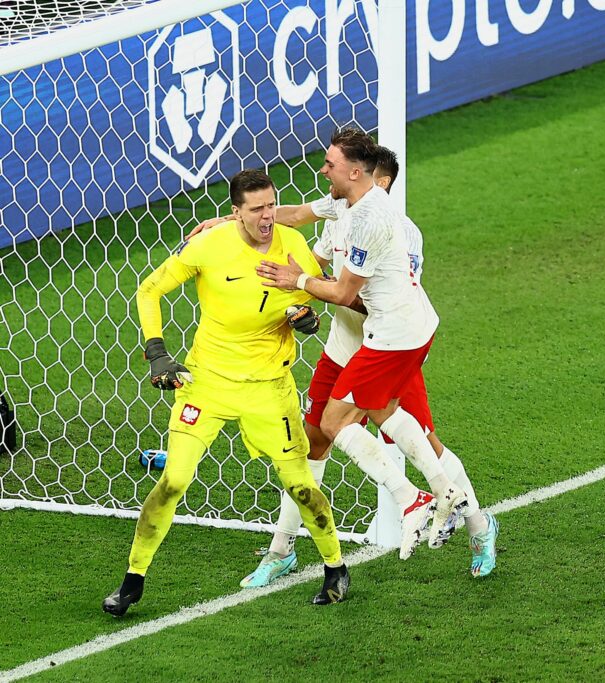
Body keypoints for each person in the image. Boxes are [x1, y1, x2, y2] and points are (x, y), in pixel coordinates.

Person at [102, 170, 350, 616]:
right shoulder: (209, 246)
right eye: (256, 209)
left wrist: (304, 317)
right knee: (173, 480)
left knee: (300, 484)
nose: (267, 217)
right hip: (208, 385)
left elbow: (313, 294)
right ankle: (132, 581)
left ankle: (335, 566)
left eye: (271, 205)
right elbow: (149, 290)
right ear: (235, 212)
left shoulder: (293, 246)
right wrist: (156, 351)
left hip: (269, 389)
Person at [256, 127, 472, 562]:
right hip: (388, 332)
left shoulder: (374, 221)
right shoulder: (344, 203)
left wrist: (294, 280)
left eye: (330, 164)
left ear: (356, 171)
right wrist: (239, 218)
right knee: (378, 412)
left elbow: (341, 293)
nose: (322, 169)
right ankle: (443, 494)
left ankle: (416, 501)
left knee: (337, 422)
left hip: (392, 336)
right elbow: (298, 214)